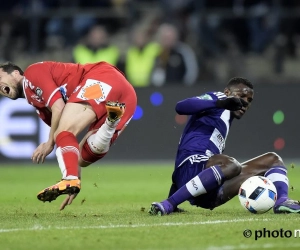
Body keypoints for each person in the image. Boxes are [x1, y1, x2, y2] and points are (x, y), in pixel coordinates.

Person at [149, 77, 300, 215]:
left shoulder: (226, 121)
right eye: (241, 96)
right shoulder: (217, 98)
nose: (245, 103)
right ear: (227, 92)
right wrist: (219, 103)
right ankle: (168, 204)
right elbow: (181, 107)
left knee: (273, 160)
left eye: (249, 100)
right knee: (231, 165)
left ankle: (281, 202)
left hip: (210, 195)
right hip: (191, 166)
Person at [0, 61, 137, 210]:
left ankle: (69, 178)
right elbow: (69, 141)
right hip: (126, 95)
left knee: (62, 132)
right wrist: (75, 181)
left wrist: (49, 143)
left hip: (102, 78)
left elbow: (58, 107)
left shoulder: (32, 73)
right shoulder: (38, 106)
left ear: (15, 73)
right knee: (82, 157)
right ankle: (110, 124)